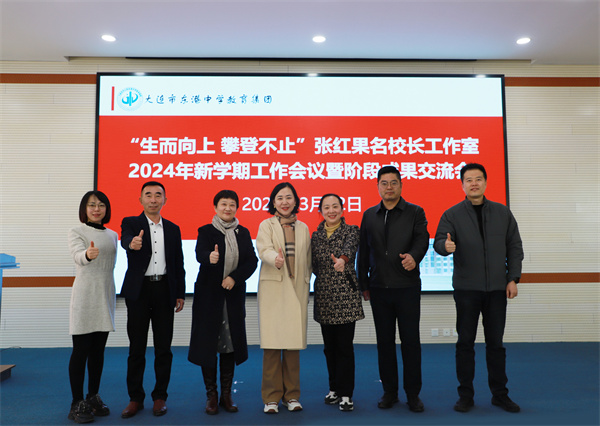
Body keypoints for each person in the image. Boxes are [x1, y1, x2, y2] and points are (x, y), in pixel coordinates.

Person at [433, 163, 524, 413]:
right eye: (469, 180)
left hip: (497, 289)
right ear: (462, 185)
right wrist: (444, 247)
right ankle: (465, 395)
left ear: (485, 182)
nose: (474, 183)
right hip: (467, 290)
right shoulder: (452, 214)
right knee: (465, 343)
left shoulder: (502, 213)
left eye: (478, 179)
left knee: (496, 344)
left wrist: (513, 278)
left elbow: (515, 246)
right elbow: (439, 241)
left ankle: (500, 394)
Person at [358, 165, 429, 412]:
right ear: (378, 186)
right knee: (384, 343)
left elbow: (422, 239)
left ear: (401, 185)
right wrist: (364, 283)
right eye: (384, 183)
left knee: (411, 342)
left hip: (407, 287)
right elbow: (363, 251)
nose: (389, 187)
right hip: (379, 288)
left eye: (393, 182)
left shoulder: (415, 212)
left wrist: (414, 256)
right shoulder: (369, 215)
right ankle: (389, 392)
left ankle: (413, 394)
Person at [188, 190, 258, 415]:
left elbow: (252, 261)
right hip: (209, 296)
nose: (227, 208)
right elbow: (199, 253)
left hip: (232, 295)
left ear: (236, 208)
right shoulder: (206, 231)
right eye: (223, 204)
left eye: (232, 205)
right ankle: (211, 395)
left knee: (229, 344)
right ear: (215, 207)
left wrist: (234, 278)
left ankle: (227, 394)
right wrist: (209, 257)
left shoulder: (243, 233)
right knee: (208, 343)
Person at [119, 181, 186, 419]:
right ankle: (135, 398)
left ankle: (160, 397)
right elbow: (125, 239)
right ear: (141, 200)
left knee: (163, 348)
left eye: (158, 195)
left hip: (164, 290)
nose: (153, 199)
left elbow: (178, 262)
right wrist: (131, 243)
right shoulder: (131, 223)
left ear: (165, 200)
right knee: (136, 348)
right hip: (139, 291)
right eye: (148, 195)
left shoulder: (173, 228)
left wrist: (180, 292)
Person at [256, 182, 312, 414]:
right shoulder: (266, 224)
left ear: (295, 201)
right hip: (274, 290)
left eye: (289, 197)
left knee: (292, 346)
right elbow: (264, 249)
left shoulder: (304, 227)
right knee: (272, 346)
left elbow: (308, 259)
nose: (285, 202)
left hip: (296, 290)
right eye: (280, 198)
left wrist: (307, 281)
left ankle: (292, 396)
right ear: (273, 202)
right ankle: (271, 398)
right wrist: (275, 259)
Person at [67, 191, 118, 423]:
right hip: (85, 296)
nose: (97, 209)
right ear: (84, 209)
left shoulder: (113, 235)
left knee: (98, 351)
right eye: (91, 205)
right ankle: (76, 402)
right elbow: (77, 256)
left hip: (105, 295)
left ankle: (93, 396)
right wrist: (87, 254)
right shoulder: (76, 231)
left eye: (101, 205)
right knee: (81, 351)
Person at [311, 193, 364, 412]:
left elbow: (349, 249)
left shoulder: (351, 230)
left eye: (335, 206)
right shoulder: (315, 236)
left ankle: (346, 394)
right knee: (329, 348)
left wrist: (342, 260)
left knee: (344, 348)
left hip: (345, 297)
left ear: (342, 210)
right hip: (324, 297)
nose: (331, 211)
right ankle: (333, 388)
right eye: (326, 207)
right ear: (320, 211)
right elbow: (314, 265)